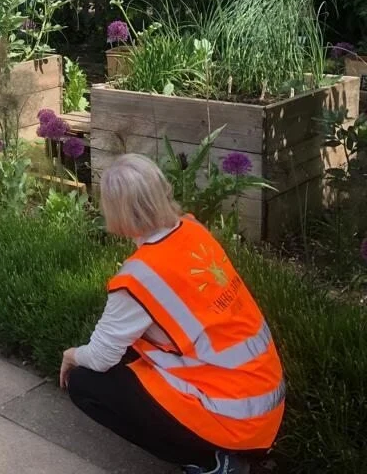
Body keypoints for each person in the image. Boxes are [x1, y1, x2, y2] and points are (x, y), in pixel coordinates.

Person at [59, 154, 285, 474]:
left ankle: (212, 463)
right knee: (129, 350)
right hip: (261, 397)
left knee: (85, 383)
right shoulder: (192, 230)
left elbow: (100, 358)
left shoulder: (137, 280)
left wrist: (71, 355)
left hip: (236, 419)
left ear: (115, 211)